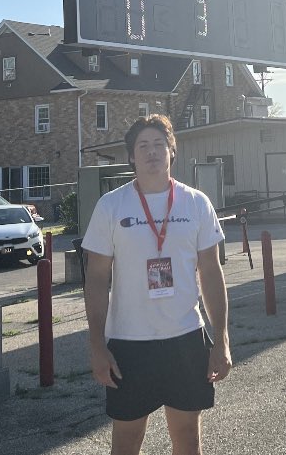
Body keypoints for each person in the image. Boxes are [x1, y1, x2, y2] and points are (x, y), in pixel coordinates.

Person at [82, 114, 232, 455]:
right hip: (129, 344)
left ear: (172, 151)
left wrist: (220, 340)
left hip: (184, 339)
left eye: (159, 145)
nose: (152, 152)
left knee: (187, 439)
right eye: (143, 146)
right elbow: (96, 280)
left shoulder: (196, 203)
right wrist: (96, 345)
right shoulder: (111, 206)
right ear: (132, 156)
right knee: (127, 441)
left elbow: (211, 273)